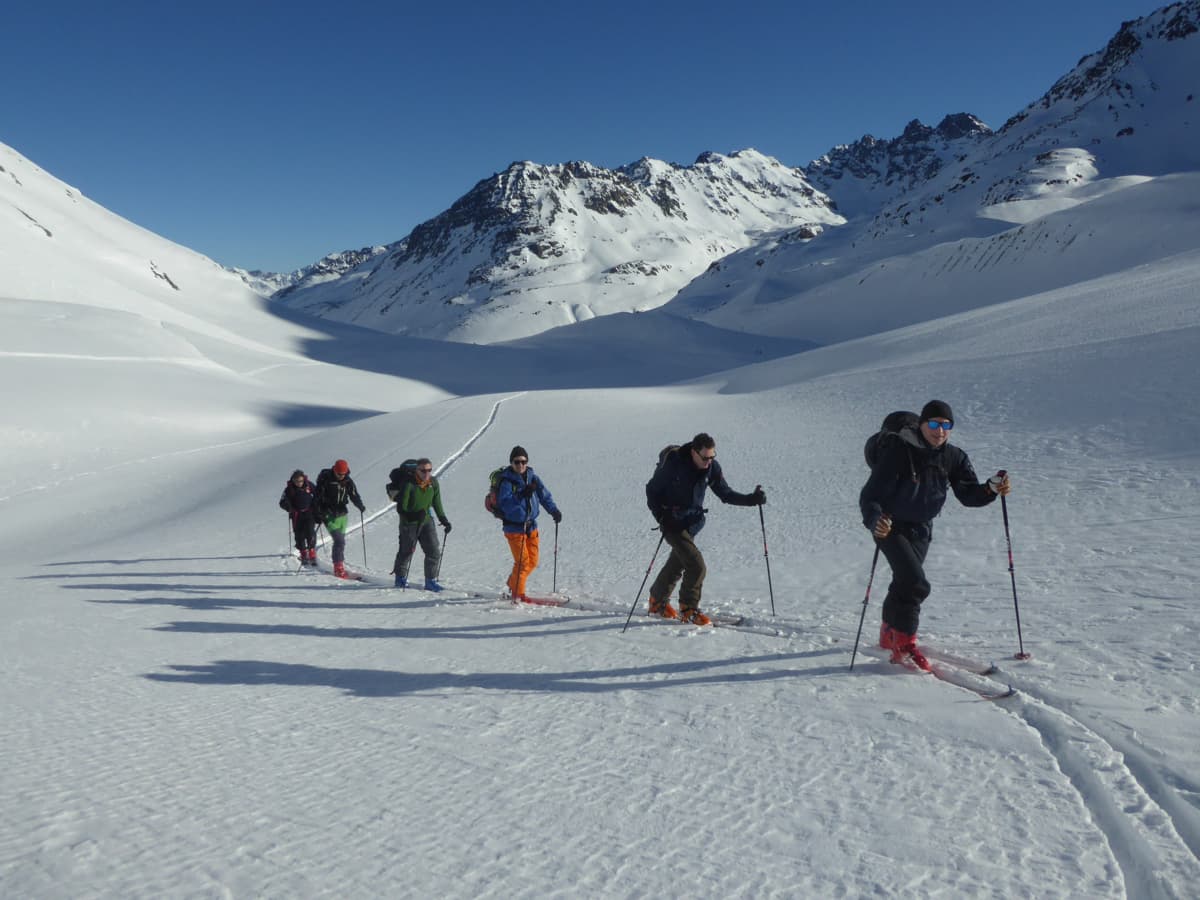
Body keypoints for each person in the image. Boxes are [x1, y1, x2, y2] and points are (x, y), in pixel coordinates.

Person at [859, 400, 1011, 670]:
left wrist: (990, 488)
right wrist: (875, 520)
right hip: (889, 526)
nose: (939, 431)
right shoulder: (898, 452)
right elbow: (870, 495)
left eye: (946, 425)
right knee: (916, 582)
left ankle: (889, 632)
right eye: (933, 424)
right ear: (921, 425)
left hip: (921, 528)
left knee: (904, 581)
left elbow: (967, 494)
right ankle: (904, 644)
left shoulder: (953, 457)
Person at [645, 433, 766, 625]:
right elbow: (652, 490)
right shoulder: (674, 465)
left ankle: (656, 601)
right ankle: (688, 609)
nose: (709, 461)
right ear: (694, 452)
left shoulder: (711, 468)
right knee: (696, 564)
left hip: (693, 523)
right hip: (672, 523)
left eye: (712, 457)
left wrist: (751, 499)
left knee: (679, 562)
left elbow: (725, 494)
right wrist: (661, 516)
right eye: (705, 457)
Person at [494, 446, 561, 600]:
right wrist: (521, 495)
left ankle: (513, 582)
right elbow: (505, 504)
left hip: (531, 526)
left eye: (523, 461)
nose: (520, 465)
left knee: (533, 561)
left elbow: (544, 496)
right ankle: (518, 594)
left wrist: (554, 511)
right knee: (523, 562)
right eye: (517, 462)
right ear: (511, 463)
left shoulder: (533, 478)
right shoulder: (507, 482)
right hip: (514, 528)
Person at [390, 458, 451, 591]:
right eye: (423, 470)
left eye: (429, 470)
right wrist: (415, 515)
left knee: (434, 551)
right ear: (417, 471)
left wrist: (444, 520)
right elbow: (401, 509)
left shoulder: (433, 483)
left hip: (427, 521)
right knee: (407, 552)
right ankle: (400, 579)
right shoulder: (409, 484)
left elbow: (437, 503)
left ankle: (430, 581)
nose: (426, 473)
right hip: (409, 524)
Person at [314, 458, 366, 578]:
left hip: (342, 514)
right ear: (334, 470)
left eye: (343, 474)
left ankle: (339, 564)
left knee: (341, 542)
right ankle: (338, 569)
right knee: (339, 541)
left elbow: (354, 494)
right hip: (328, 514)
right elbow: (317, 497)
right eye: (339, 474)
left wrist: (360, 505)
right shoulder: (325, 480)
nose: (341, 476)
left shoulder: (348, 481)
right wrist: (318, 513)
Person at [279, 469, 319, 566]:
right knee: (299, 535)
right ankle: (303, 554)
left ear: (303, 479)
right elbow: (282, 502)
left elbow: (318, 494)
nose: (299, 483)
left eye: (300, 481)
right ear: (293, 480)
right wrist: (289, 507)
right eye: (296, 481)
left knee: (310, 532)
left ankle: (312, 553)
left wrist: (316, 505)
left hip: (309, 513)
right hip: (297, 515)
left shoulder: (309, 485)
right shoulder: (289, 489)